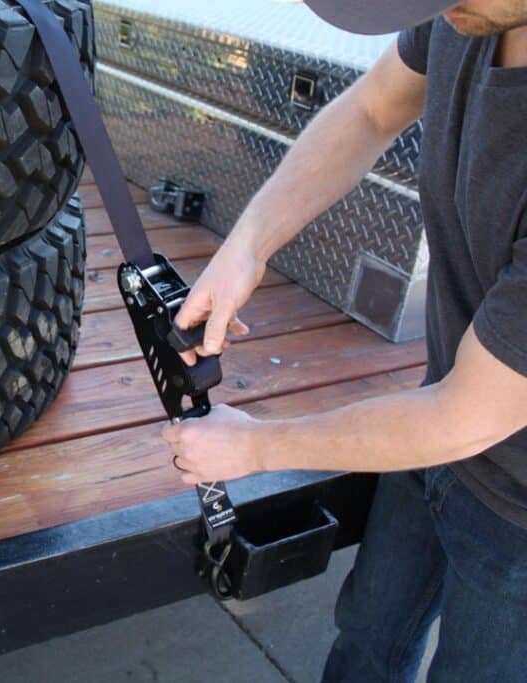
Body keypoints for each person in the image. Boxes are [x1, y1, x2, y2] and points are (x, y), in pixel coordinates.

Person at [159, 1, 527, 680]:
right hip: (432, 440)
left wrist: (256, 445)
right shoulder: (469, 13)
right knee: (366, 641)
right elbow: (370, 111)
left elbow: (466, 415)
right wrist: (248, 244)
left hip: (516, 512)